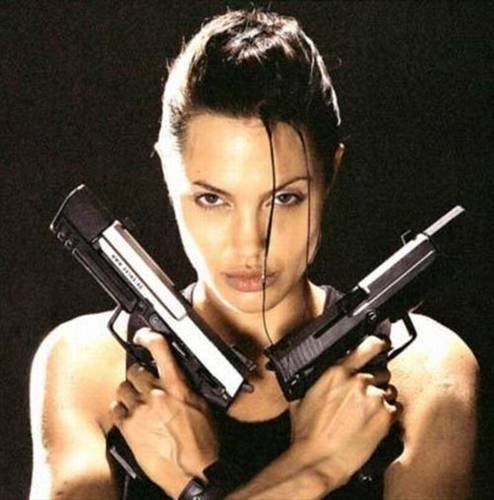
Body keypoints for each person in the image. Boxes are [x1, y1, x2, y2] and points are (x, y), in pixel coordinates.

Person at [30, 9, 478, 500]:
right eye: (212, 199)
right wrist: (314, 465)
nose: (249, 245)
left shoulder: (424, 372)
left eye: (284, 198)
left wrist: (194, 484)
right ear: (167, 174)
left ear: (331, 172)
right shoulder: (89, 368)